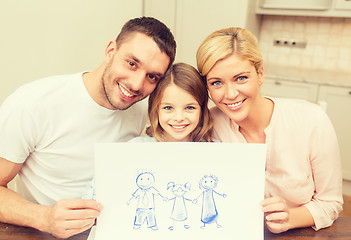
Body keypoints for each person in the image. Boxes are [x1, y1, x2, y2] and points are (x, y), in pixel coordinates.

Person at [0, 16, 176, 239]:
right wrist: (44, 217)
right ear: (110, 50)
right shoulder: (32, 104)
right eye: (132, 63)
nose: (136, 84)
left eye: (152, 76)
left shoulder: (144, 111)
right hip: (43, 234)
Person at [196, 27, 343, 233]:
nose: (230, 94)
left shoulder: (311, 120)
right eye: (217, 83)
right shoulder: (207, 125)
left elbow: (330, 203)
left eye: (241, 78)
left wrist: (290, 218)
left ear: (260, 74)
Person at [82, 63, 213, 199]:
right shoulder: (134, 149)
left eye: (190, 108)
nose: (179, 118)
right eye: (168, 108)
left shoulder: (215, 151)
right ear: (155, 109)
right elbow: (94, 192)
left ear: (202, 109)